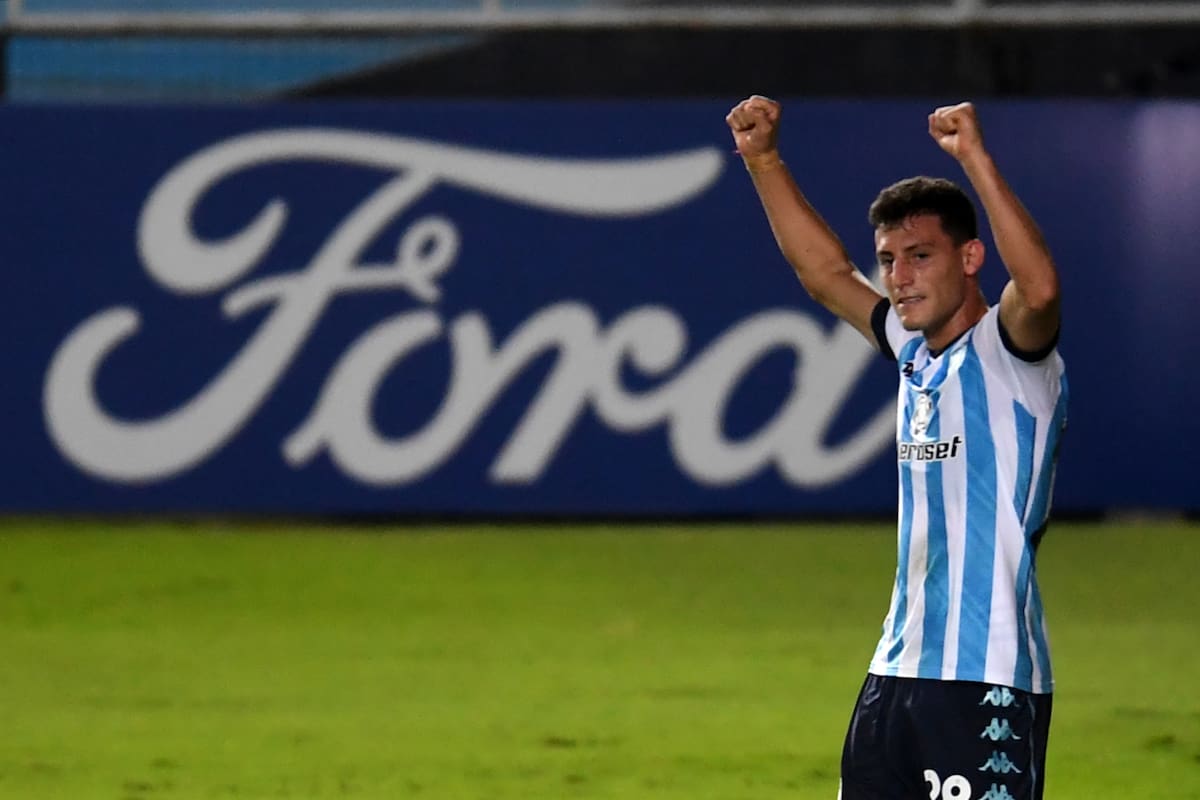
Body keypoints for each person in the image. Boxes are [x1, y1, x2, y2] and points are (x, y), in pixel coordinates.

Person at [726, 96, 1067, 800]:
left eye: (919, 255)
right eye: (888, 260)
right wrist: (763, 161)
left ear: (971, 258)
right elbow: (825, 275)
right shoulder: (915, 351)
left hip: (986, 678)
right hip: (894, 671)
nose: (899, 276)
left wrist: (973, 157)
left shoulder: (1012, 355)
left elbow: (1038, 288)